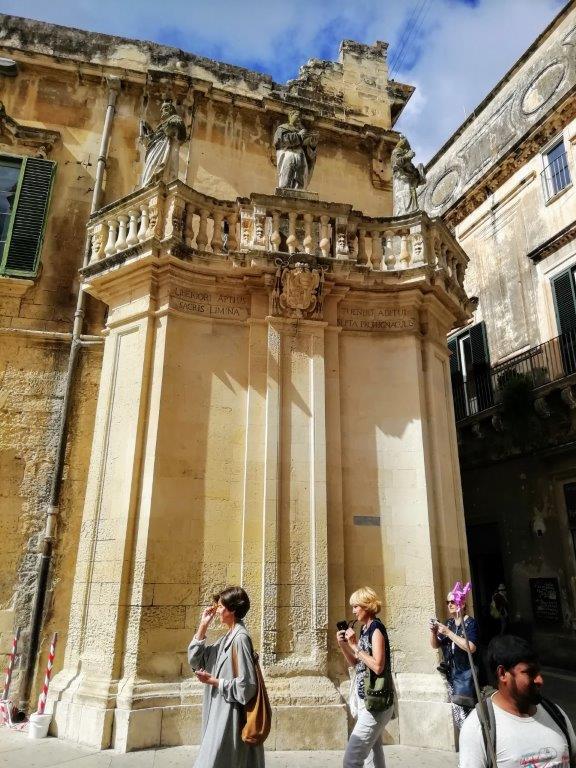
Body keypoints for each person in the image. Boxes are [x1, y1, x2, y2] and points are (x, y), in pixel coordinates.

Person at [459, 634, 575, 768]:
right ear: (502, 673)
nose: (540, 680)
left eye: (539, 672)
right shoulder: (479, 727)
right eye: (530, 673)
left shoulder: (556, 714)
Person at [188, 586, 265, 768]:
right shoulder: (227, 638)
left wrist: (214, 681)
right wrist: (203, 625)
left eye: (221, 606)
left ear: (233, 610)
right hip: (219, 715)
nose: (217, 610)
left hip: (230, 718)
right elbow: (196, 660)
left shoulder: (240, 638)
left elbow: (247, 686)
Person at [336, 586, 393, 768]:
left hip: (375, 702)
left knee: (351, 759)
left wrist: (355, 646)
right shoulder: (365, 629)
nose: (353, 611)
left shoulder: (376, 628)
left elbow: (378, 666)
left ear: (367, 606)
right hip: (366, 699)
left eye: (356, 606)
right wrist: (344, 645)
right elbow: (357, 663)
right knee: (373, 755)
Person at [430, 590, 479, 729]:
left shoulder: (470, 623)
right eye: (448, 602)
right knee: (459, 716)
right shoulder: (449, 623)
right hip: (452, 676)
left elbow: (471, 647)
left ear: (462, 604)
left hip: (466, 677)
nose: (450, 605)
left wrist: (448, 633)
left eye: (453, 601)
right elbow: (435, 645)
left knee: (468, 716)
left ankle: (472, 738)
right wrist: (433, 632)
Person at [273, 109, 318, 190]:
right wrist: (298, 136)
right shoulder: (282, 128)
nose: (299, 119)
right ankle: (285, 188)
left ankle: (299, 190)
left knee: (301, 172)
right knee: (288, 168)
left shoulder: (301, 131)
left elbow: (307, 151)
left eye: (300, 118)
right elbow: (279, 140)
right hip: (288, 153)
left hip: (300, 155)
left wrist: (312, 145)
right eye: (297, 116)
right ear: (290, 116)